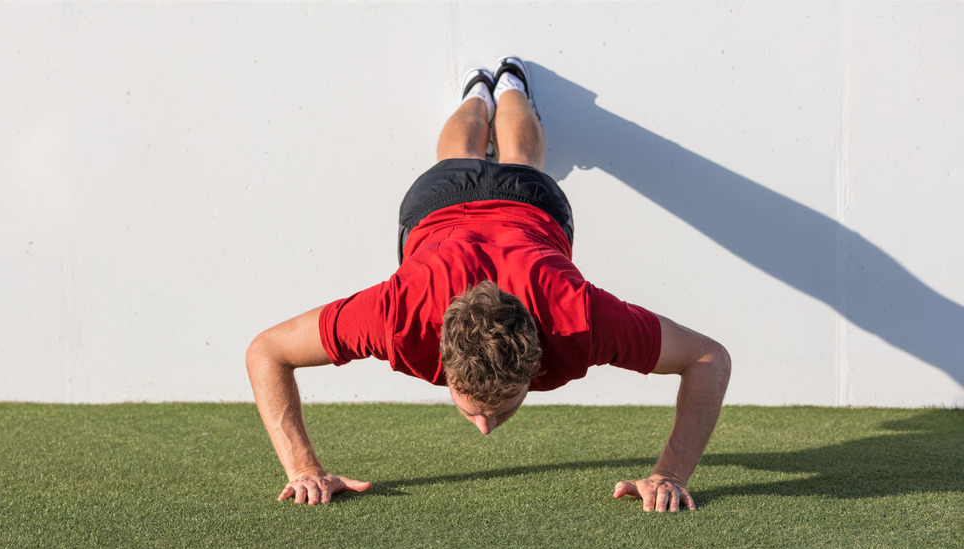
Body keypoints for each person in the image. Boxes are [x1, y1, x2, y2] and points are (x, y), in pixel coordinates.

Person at [245, 56, 731, 513]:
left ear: (539, 355)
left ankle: (509, 82)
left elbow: (710, 359)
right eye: (478, 408)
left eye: (501, 408)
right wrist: (302, 469)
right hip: (444, 208)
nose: (484, 428)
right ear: (440, 354)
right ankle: (480, 90)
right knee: (466, 157)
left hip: (526, 209)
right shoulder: (398, 315)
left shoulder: (577, 320)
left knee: (520, 159)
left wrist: (672, 474)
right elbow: (266, 351)